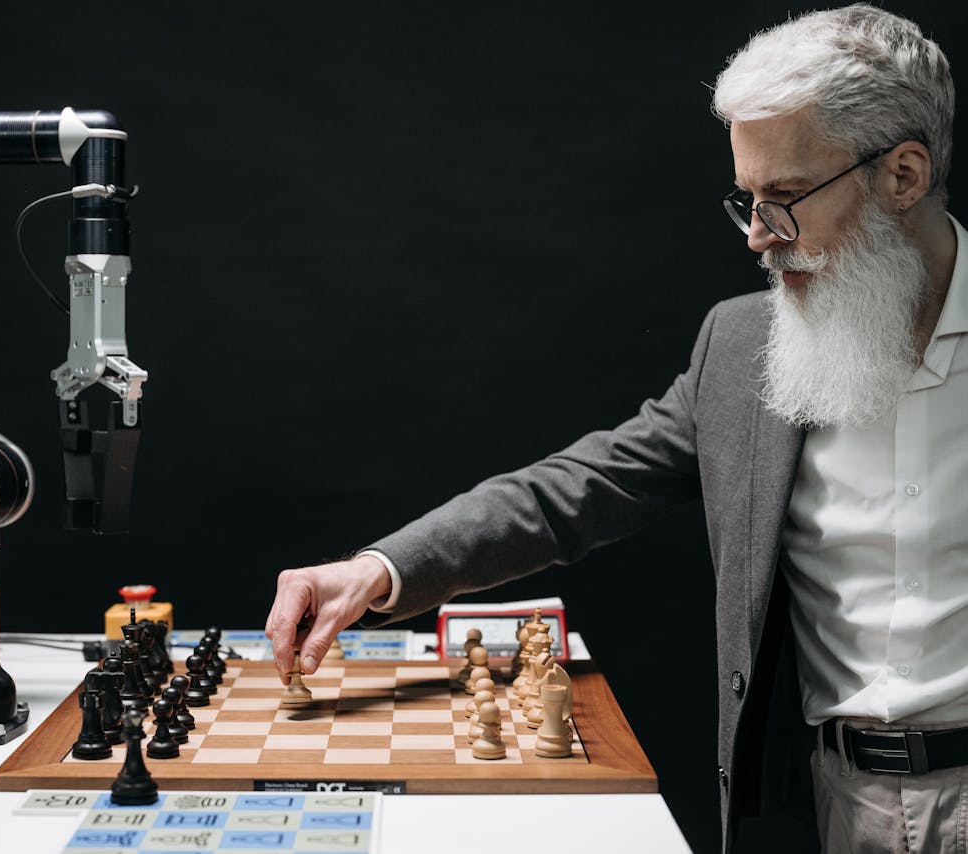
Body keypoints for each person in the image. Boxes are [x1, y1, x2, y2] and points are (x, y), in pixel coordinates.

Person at [263, 5, 965, 852]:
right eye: (744, 199)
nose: (755, 238)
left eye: (783, 199)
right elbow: (579, 489)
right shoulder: (742, 344)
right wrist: (376, 570)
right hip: (824, 805)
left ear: (902, 176)